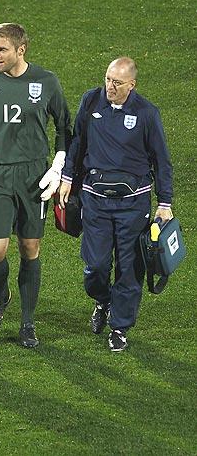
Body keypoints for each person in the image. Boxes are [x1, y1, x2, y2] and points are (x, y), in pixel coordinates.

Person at [0, 23, 71, 348]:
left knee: (29, 249)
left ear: (21, 50)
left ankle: (27, 322)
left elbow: (65, 127)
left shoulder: (46, 81)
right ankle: (1, 295)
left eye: (2, 50)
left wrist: (59, 165)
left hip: (34, 177)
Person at [59, 57, 173, 352]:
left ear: (131, 85)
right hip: (95, 201)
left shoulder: (147, 113)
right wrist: (68, 176)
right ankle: (103, 299)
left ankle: (119, 327)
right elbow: (77, 141)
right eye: (108, 79)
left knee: (129, 268)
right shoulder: (91, 100)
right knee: (95, 266)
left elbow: (162, 160)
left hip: (133, 205)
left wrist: (165, 202)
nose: (110, 86)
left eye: (117, 82)